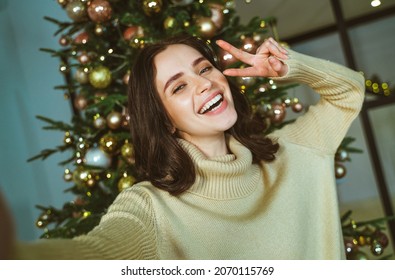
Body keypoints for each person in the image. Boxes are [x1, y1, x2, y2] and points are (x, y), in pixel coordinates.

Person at [0, 34, 364, 260]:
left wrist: (291, 67)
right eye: (178, 87)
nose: (204, 85)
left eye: (204, 69)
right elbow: (97, 256)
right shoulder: (151, 207)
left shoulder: (294, 152)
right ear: (165, 120)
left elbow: (350, 93)